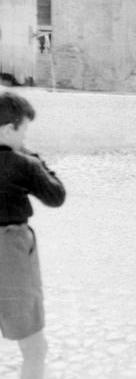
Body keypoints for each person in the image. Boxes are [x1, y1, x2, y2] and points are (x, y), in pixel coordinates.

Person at [0, 92, 66, 379]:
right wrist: (34, 158)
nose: (26, 134)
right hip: (9, 248)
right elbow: (56, 195)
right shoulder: (22, 163)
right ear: (8, 129)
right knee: (34, 346)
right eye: (23, 128)